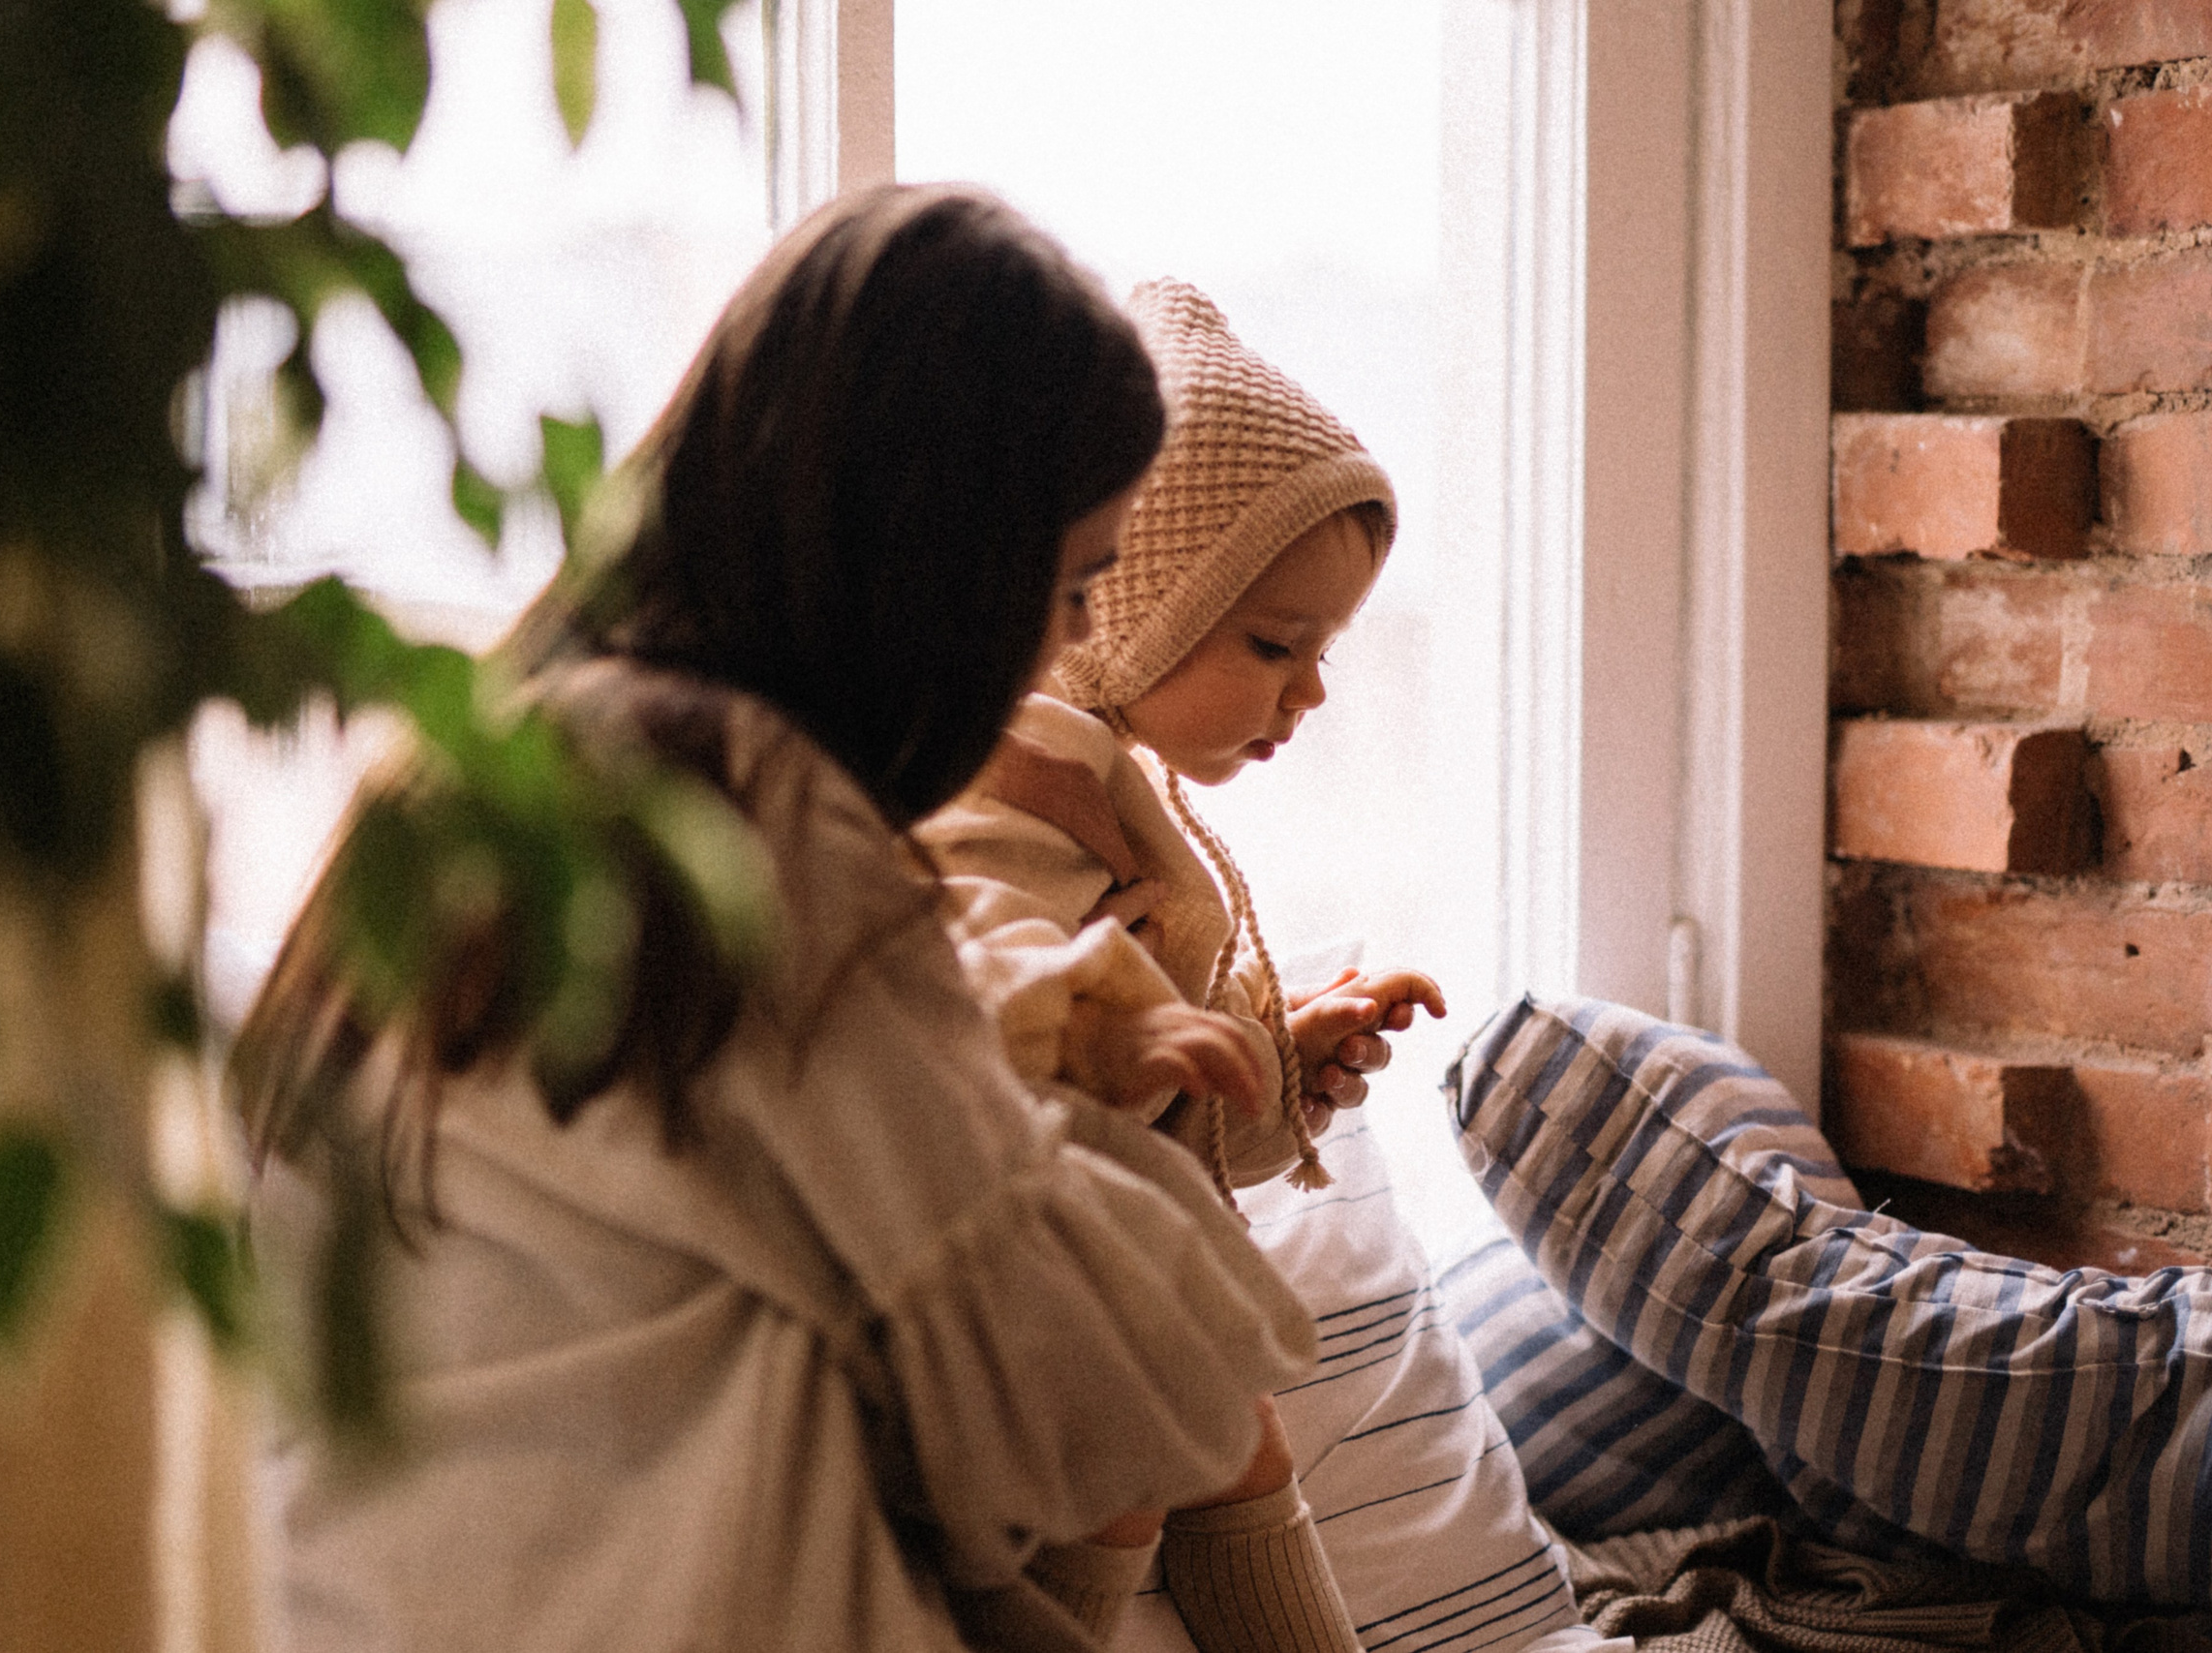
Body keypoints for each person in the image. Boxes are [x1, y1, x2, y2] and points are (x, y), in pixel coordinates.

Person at [227, 191, 1319, 1653]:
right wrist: (1094, 1105)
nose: (1066, 642)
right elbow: (1116, 1396)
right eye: (1066, 586)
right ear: (939, 566)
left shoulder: (468, 772)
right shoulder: (749, 815)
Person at [919, 280, 1625, 1653]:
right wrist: (1111, 1032)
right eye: (1273, 646)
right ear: (1122, 606)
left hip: (1119, 1264)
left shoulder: (1121, 795)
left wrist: (1278, 1063)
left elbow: (1174, 1125)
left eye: (1326, 651)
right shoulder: (1011, 784)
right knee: (1141, 1467)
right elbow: (963, 998)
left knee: (1230, 1442)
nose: (1309, 694)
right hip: (1006, 1281)